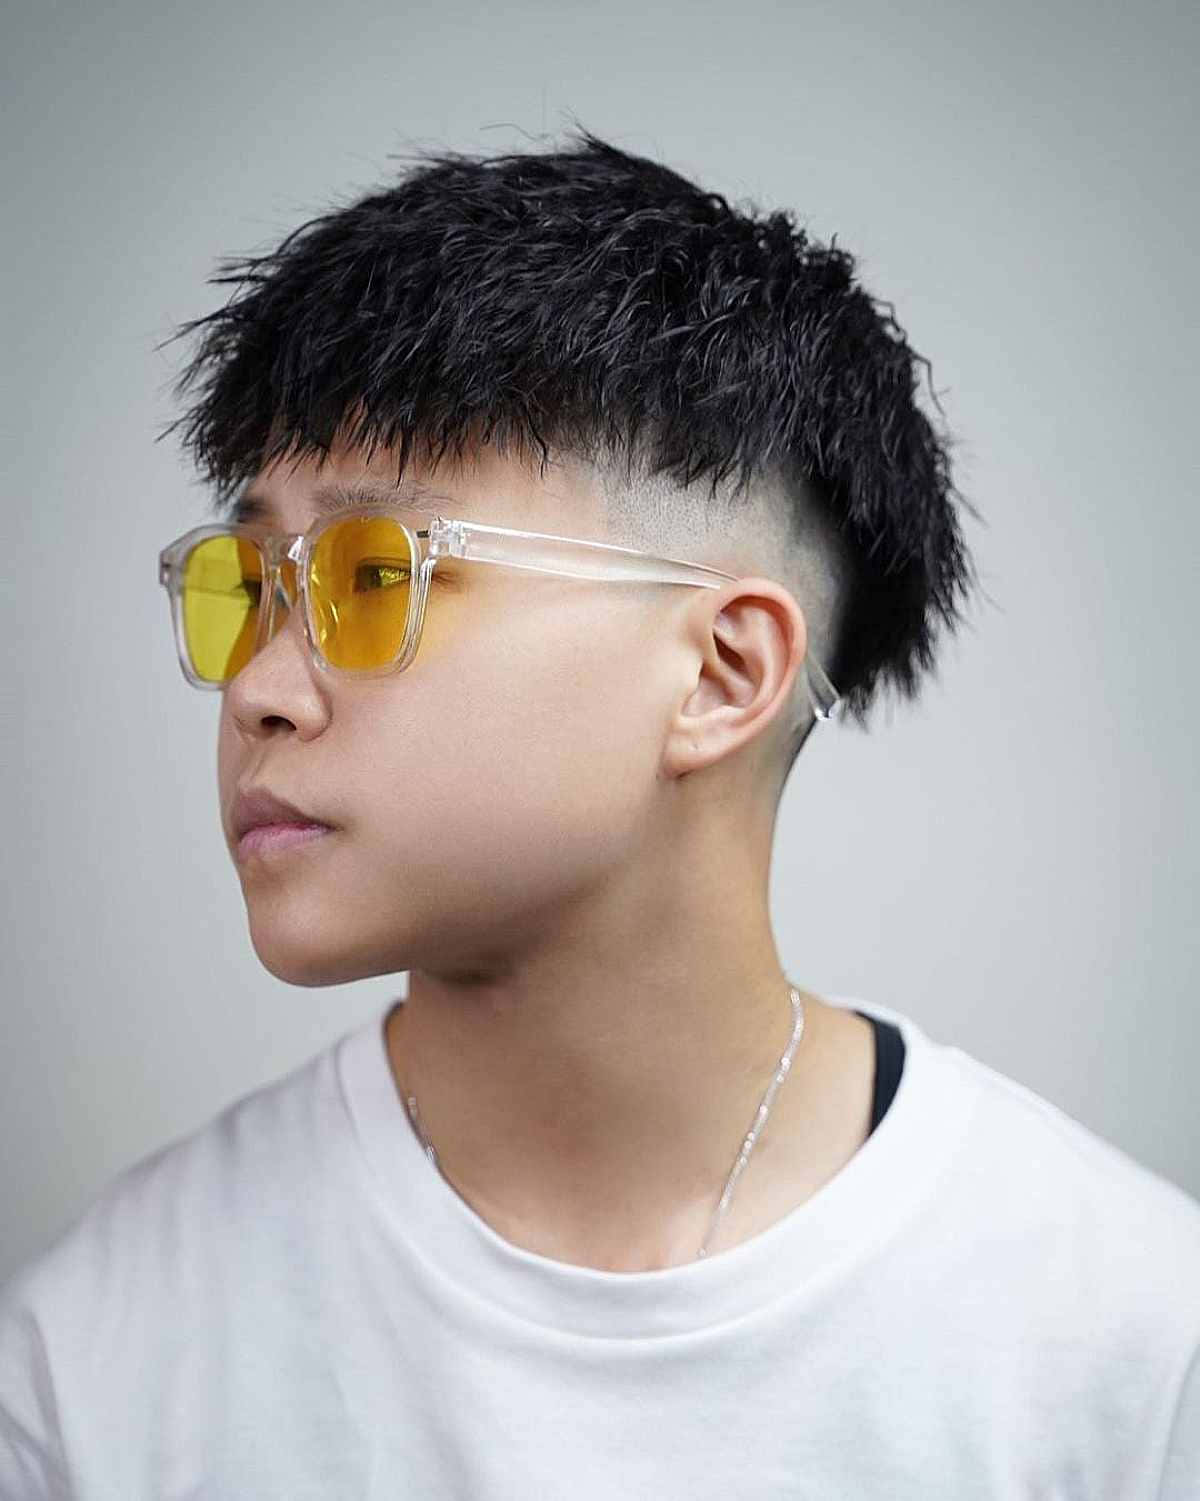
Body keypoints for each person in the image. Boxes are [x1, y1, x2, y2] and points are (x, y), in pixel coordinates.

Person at [1, 128, 1196, 1498]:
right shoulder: (95, 1366)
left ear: (722, 673)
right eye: (250, 585)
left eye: (372, 577)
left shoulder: (1127, 1353)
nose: (260, 689)